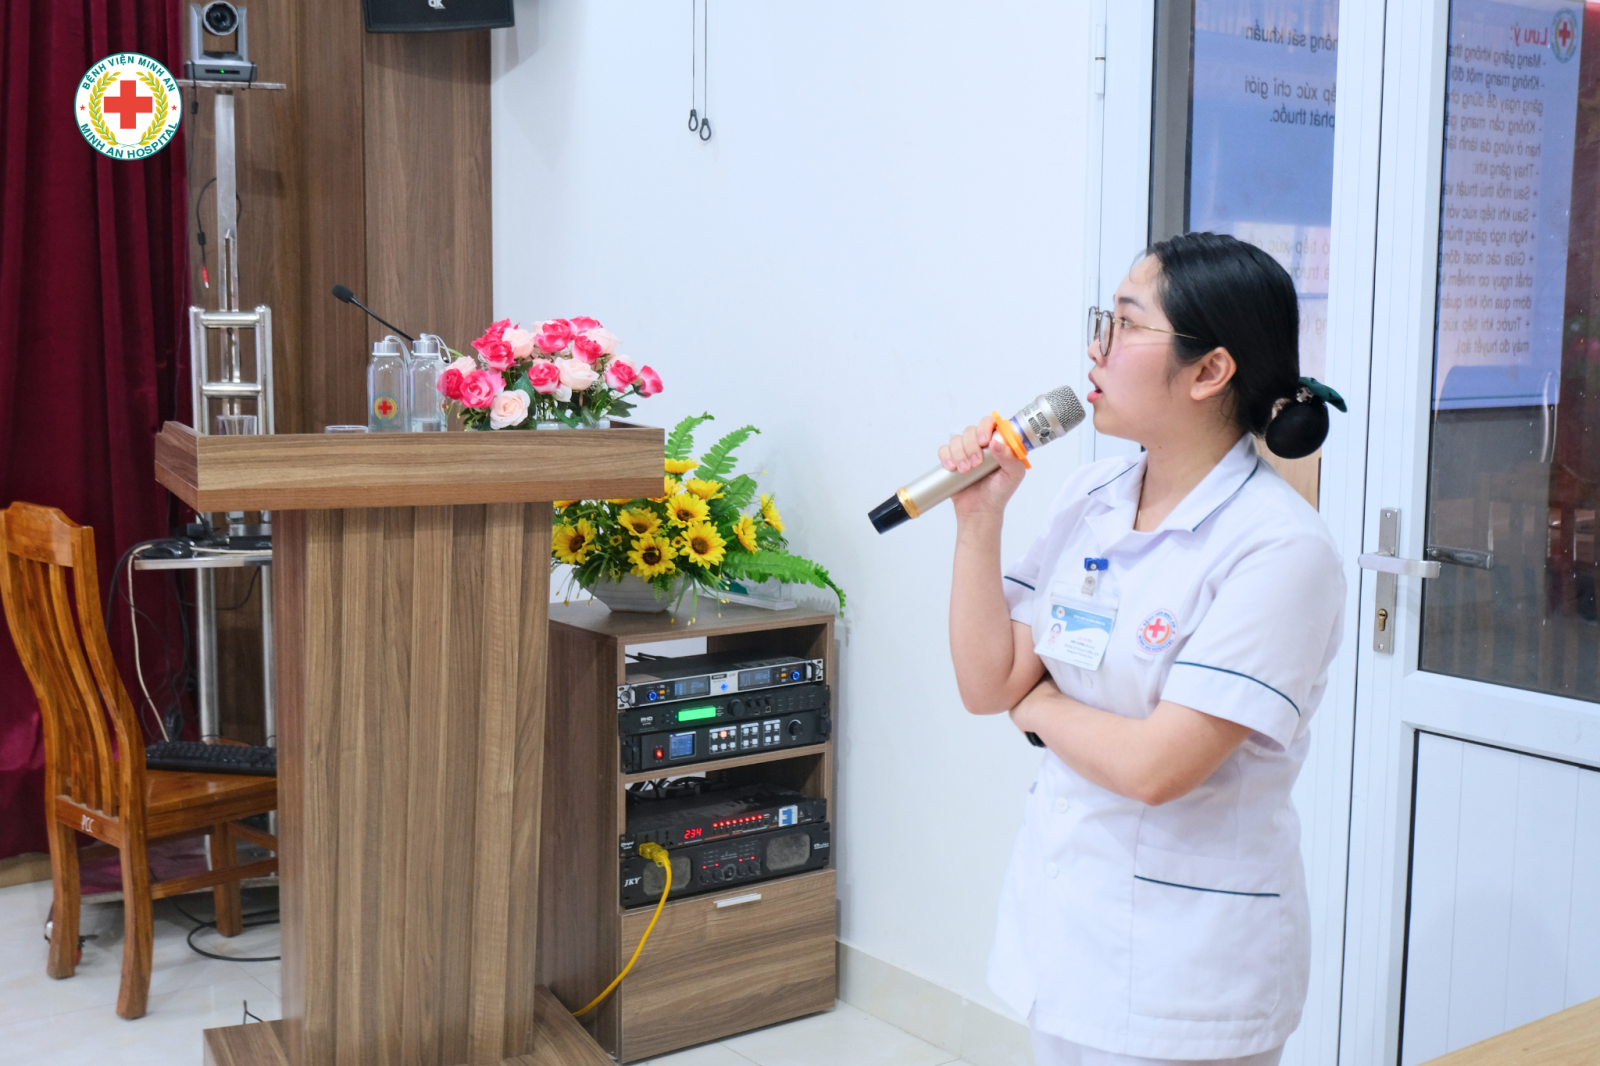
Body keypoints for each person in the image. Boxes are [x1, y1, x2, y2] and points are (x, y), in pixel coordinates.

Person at [941, 232, 1346, 1066]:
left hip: (1186, 968)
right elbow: (987, 684)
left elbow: (1160, 765)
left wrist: (1039, 705)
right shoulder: (1092, 494)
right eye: (1106, 321)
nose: (1097, 350)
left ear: (1210, 370)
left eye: (1126, 325)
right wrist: (979, 521)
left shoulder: (1279, 548)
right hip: (1065, 931)